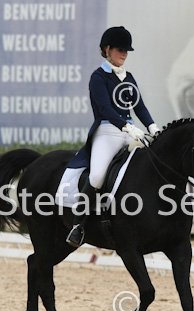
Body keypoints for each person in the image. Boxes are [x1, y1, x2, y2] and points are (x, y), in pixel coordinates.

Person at [66, 26, 160, 247]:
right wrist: (127, 127)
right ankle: (78, 225)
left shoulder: (129, 77)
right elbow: (105, 109)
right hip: (107, 131)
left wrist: (153, 127)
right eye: (120, 49)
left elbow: (139, 107)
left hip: (131, 132)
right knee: (97, 177)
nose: (124, 54)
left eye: (126, 50)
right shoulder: (98, 77)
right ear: (107, 49)